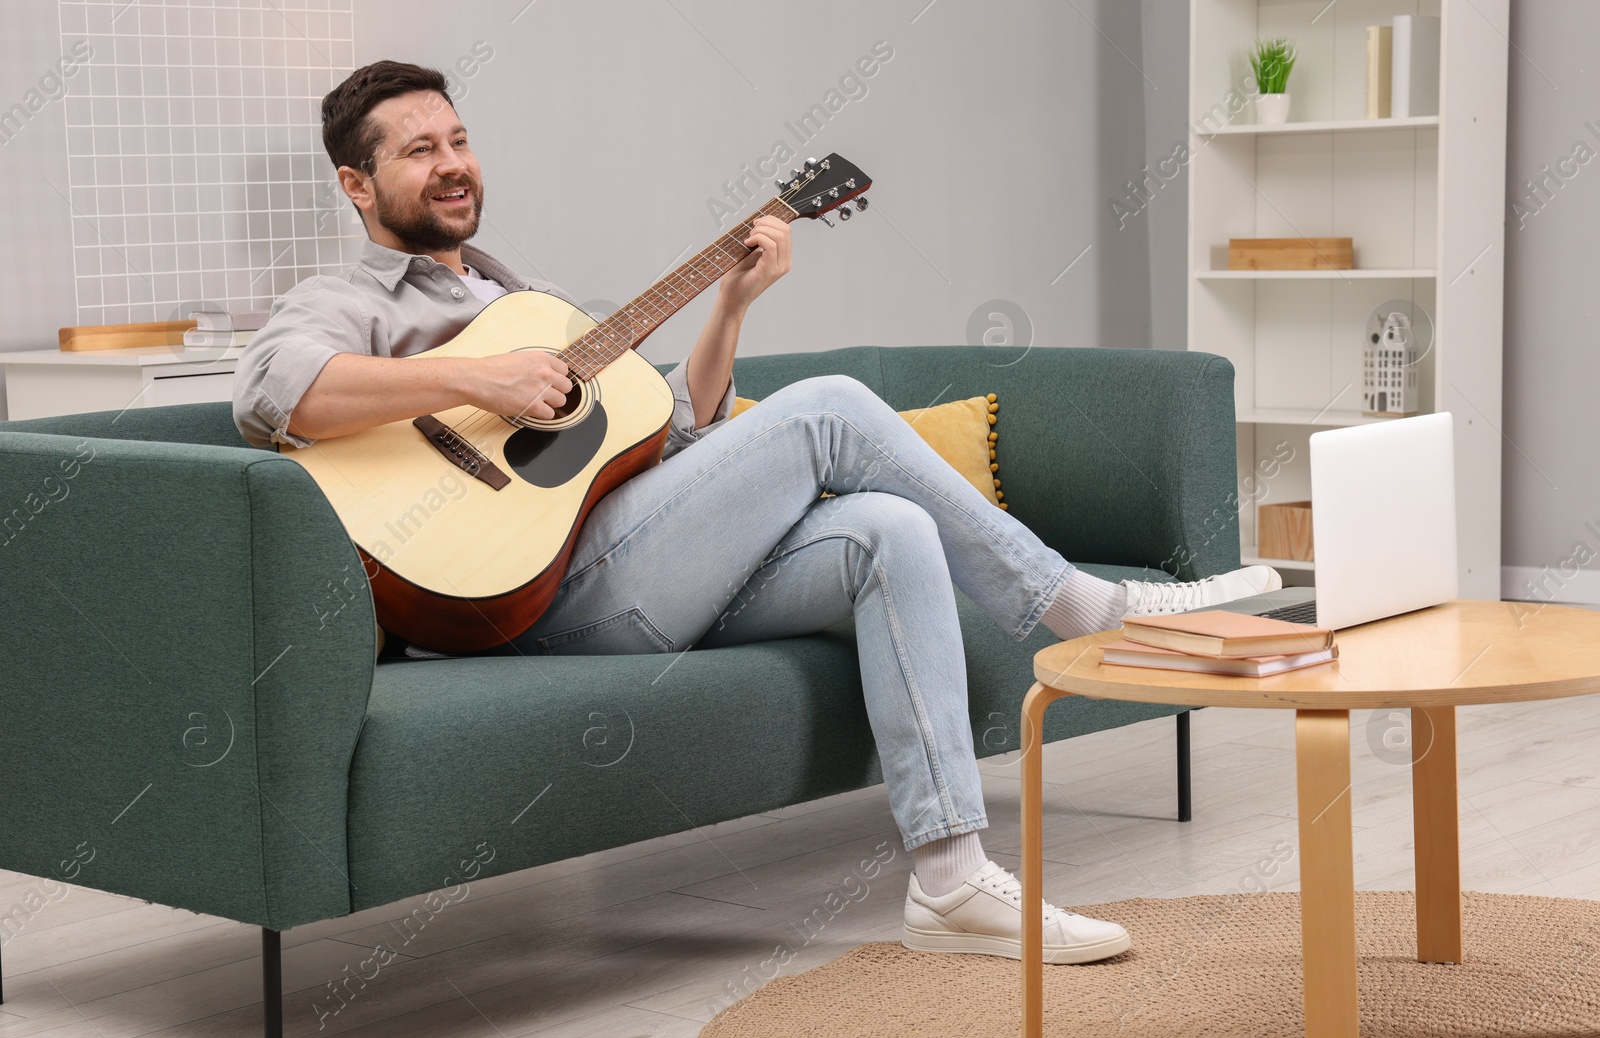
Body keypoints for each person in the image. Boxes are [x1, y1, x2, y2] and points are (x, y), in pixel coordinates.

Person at [233, 61, 1281, 966]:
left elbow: (675, 438)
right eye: (419, 149)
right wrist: (484, 382)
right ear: (357, 183)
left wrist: (729, 305)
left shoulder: (532, 299)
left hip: (636, 559)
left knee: (890, 529)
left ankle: (951, 877)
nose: (453, 160)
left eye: (459, 137)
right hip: (524, 597)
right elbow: (273, 386)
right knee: (827, 404)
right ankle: (1081, 607)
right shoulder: (360, 298)